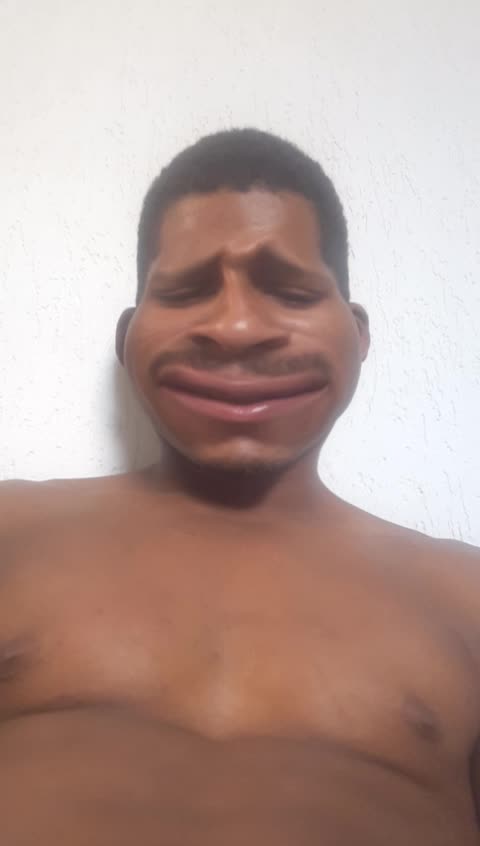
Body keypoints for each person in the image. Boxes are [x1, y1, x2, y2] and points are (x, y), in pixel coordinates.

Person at [0, 128, 478, 845]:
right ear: (127, 338)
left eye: (290, 291)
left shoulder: (467, 598)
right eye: (185, 291)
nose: (237, 327)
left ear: (358, 335)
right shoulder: (9, 531)